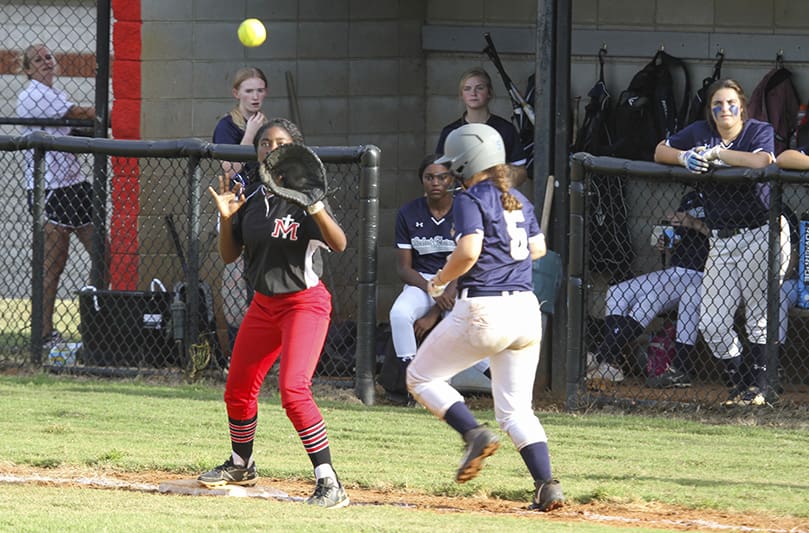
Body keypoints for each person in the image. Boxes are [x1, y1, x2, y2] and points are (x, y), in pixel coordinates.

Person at [406, 123, 565, 512]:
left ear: (464, 163)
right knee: (515, 410)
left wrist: (441, 280)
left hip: (486, 308)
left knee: (420, 376)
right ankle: (547, 485)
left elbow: (470, 250)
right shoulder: (517, 198)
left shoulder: (470, 196)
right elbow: (539, 249)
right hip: (526, 310)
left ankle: (473, 433)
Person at [200, 119, 350, 509]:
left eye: (279, 142)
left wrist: (315, 206)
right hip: (264, 306)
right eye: (264, 142)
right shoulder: (251, 200)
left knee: (293, 390)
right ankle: (241, 464)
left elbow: (340, 243)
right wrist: (228, 218)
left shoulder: (305, 198)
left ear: (295, 149)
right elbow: (230, 255)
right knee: (237, 388)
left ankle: (330, 482)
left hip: (304, 304)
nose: (269, 148)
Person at [654, 79, 791, 407]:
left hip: (761, 231)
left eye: (731, 103)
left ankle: (757, 388)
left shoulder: (757, 130)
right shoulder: (700, 130)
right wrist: (685, 156)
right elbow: (659, 151)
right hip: (721, 239)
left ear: (742, 107)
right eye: (718, 104)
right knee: (712, 320)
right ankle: (742, 378)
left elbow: (763, 162)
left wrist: (720, 154)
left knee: (758, 314)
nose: (724, 109)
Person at [16, 43, 108, 350]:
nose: (44, 62)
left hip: (75, 184)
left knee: (103, 253)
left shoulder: (54, 94)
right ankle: (42, 335)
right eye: (37, 60)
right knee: (53, 264)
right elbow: (79, 115)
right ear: (27, 69)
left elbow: (76, 126)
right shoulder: (34, 94)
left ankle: (95, 324)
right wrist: (113, 113)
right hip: (51, 188)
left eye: (48, 57)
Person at [586, 190, 710, 389]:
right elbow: (679, 235)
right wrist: (668, 242)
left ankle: (600, 357)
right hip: (676, 271)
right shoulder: (690, 197)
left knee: (651, 297)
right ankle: (609, 363)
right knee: (618, 291)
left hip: (705, 275)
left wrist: (693, 223)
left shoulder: (726, 197)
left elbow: (725, 235)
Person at [212, 67, 269, 352]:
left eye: (259, 90)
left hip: (263, 211)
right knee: (235, 283)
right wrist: (250, 134)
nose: (255, 96)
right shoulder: (228, 126)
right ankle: (237, 351)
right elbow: (230, 167)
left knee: (262, 281)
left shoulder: (269, 127)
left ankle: (264, 351)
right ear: (237, 94)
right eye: (249, 91)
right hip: (234, 209)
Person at [435, 67, 527, 170]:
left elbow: (520, 171)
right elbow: (440, 171)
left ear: (489, 93)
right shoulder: (450, 132)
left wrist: (499, 180)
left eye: (479, 88)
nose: (473, 93)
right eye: (467, 88)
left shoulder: (505, 129)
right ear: (461, 95)